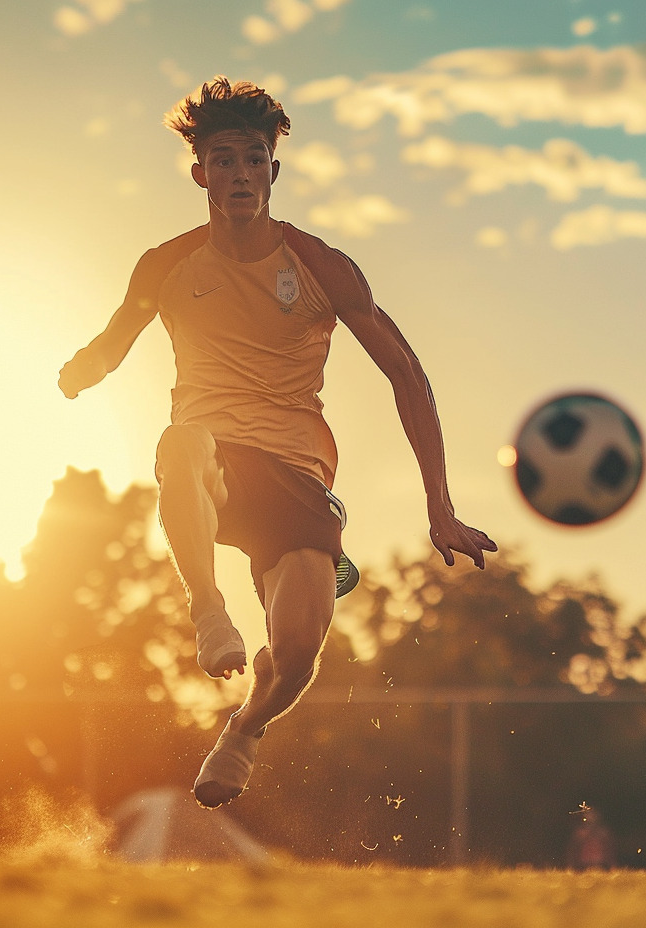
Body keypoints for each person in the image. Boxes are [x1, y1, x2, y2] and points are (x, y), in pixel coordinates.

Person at [58, 78, 496, 808]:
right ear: (201, 173)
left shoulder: (323, 266)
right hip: (212, 461)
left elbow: (407, 373)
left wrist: (440, 505)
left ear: (273, 172)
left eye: (253, 160)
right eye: (223, 160)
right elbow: (113, 342)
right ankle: (209, 611)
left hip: (297, 468)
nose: (238, 174)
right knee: (181, 445)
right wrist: (83, 372)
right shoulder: (165, 264)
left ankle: (246, 729)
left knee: (296, 653)